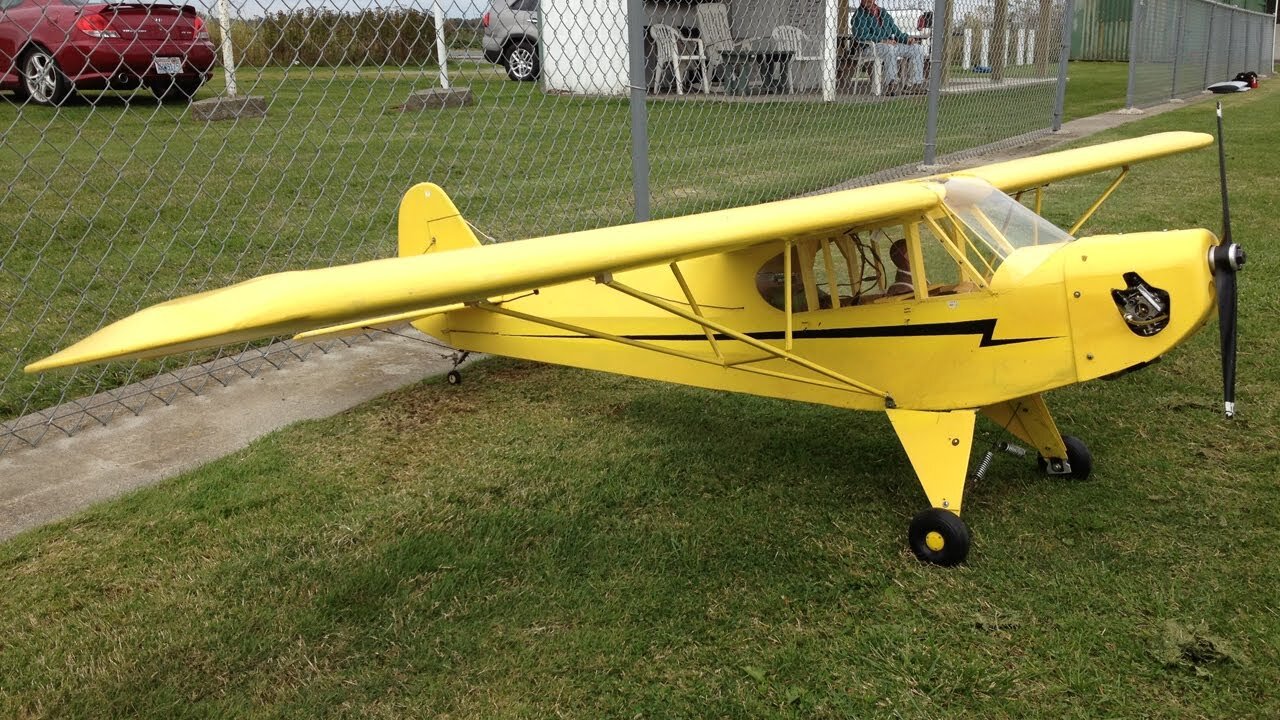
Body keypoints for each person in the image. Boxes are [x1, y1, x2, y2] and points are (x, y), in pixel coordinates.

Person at [850, 0, 928, 95]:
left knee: (917, 48)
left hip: (890, 45)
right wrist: (882, 40)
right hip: (869, 47)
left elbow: (896, 31)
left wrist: (907, 39)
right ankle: (891, 85)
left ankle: (914, 85)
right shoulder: (858, 16)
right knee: (889, 49)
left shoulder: (882, 12)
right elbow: (861, 36)